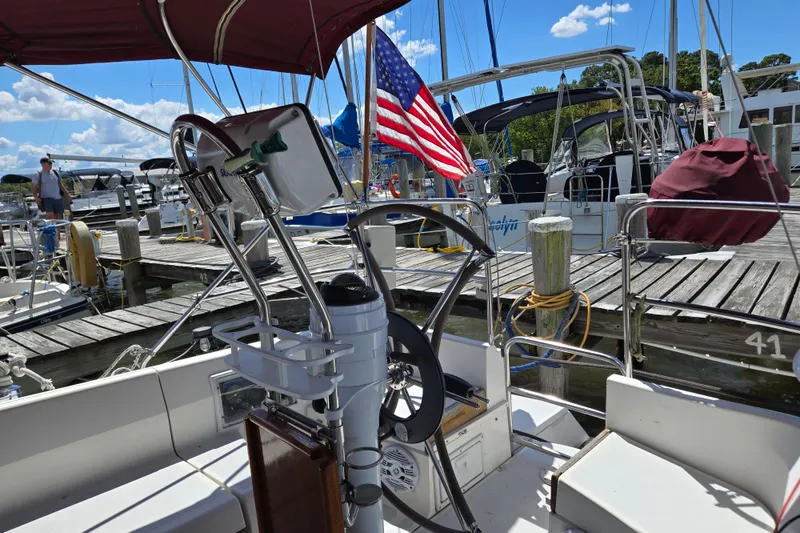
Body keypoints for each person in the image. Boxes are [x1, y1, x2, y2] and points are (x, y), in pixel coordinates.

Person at [32, 157, 71, 240]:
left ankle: (58, 235)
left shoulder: (55, 172)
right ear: (43, 164)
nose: (50, 165)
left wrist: (67, 194)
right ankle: (53, 235)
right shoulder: (38, 174)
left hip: (58, 197)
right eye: (48, 163)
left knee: (58, 216)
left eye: (50, 163)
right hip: (46, 198)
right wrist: (35, 197)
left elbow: (60, 184)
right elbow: (34, 187)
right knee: (51, 216)